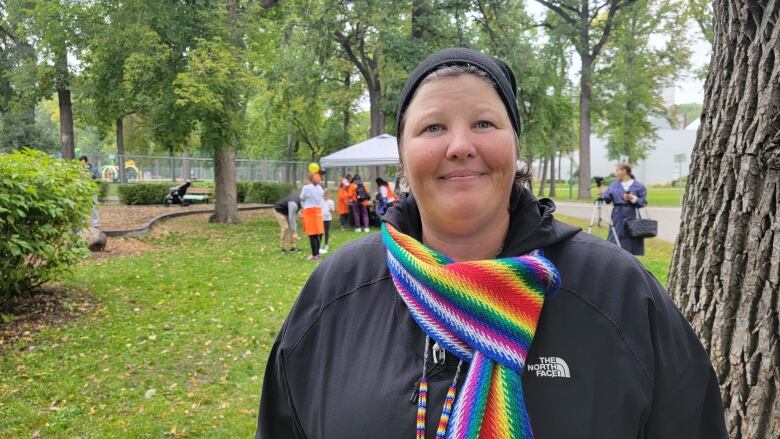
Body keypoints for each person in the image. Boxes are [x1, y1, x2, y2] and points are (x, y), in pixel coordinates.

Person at [257, 48, 726, 438]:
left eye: (483, 123)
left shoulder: (617, 294)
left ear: (515, 146)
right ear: (403, 154)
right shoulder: (337, 292)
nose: (460, 145)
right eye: (433, 127)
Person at [598, 164, 648, 256]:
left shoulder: (639, 186)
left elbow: (643, 202)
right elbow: (607, 200)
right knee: (615, 235)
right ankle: (613, 257)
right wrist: (601, 194)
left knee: (631, 238)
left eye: (618, 170)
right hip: (617, 214)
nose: (615, 173)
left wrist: (633, 198)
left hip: (632, 214)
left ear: (625, 171)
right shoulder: (613, 185)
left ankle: (630, 261)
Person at [299, 173, 325, 260]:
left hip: (309, 211)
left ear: (309, 179)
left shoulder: (306, 188)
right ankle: (317, 253)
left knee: (312, 234)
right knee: (318, 233)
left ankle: (315, 254)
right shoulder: (320, 188)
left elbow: (302, 197)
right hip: (318, 211)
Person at [79, 156, 101, 228]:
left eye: (83, 163)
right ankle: (82, 223)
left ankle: (96, 224)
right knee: (81, 208)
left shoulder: (94, 170)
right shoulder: (78, 170)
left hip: (92, 192)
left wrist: (89, 178)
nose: (82, 165)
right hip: (82, 192)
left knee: (93, 208)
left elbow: (98, 180)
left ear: (87, 162)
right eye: (80, 164)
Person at [320, 190, 335, 254]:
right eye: (324, 195)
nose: (325, 196)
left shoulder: (331, 202)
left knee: (326, 231)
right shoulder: (320, 201)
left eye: (327, 195)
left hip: (328, 218)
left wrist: (331, 209)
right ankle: (319, 245)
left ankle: (326, 244)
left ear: (329, 195)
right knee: (320, 232)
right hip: (321, 218)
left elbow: (333, 209)